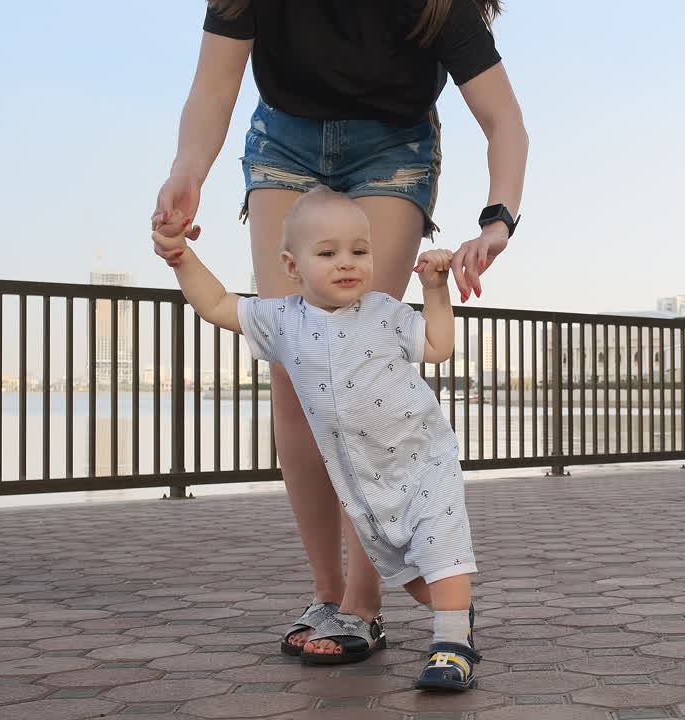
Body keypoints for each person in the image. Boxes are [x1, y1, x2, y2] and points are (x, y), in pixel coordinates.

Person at [150, 0, 526, 665]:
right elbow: (214, 85)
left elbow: (504, 121)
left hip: (393, 150)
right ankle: (328, 593)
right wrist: (188, 170)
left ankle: (363, 603)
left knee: (358, 362)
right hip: (283, 144)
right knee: (295, 370)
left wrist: (498, 219)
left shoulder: (439, 6)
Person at [154, 187, 483, 691]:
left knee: (442, 554)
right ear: (293, 266)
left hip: (422, 459)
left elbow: (438, 347)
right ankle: (454, 610)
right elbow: (218, 304)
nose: (347, 262)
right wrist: (182, 258)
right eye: (328, 253)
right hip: (364, 480)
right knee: (416, 578)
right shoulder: (283, 320)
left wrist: (436, 291)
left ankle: (453, 646)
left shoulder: (384, 312)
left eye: (360, 250)